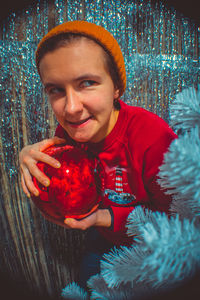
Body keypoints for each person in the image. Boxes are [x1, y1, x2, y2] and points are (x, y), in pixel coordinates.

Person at [19, 20, 177, 289]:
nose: (70, 108)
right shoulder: (68, 135)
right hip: (103, 238)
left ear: (116, 87)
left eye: (87, 83)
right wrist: (28, 158)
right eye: (55, 89)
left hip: (159, 249)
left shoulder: (154, 138)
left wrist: (104, 217)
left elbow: (179, 222)